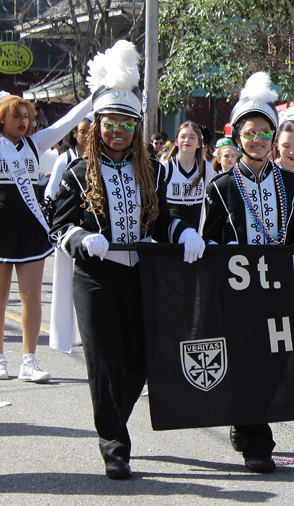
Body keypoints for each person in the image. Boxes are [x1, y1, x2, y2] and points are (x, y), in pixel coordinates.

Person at [49, 40, 205, 479]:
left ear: (137, 128)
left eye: (126, 124)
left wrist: (185, 232)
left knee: (140, 360)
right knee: (102, 361)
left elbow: (162, 221)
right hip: (95, 277)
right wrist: (83, 237)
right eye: (109, 123)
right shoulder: (77, 173)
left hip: (141, 276)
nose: (117, 130)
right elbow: (57, 227)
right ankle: (115, 445)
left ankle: (112, 419)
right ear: (97, 126)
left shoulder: (152, 171)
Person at [200, 72, 294, 473]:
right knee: (247, 360)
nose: (258, 140)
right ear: (237, 137)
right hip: (238, 292)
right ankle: (257, 441)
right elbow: (208, 239)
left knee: (275, 363)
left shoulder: (291, 182)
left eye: (266, 133)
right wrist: (217, 250)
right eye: (250, 133)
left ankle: (244, 421)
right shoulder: (220, 186)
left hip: (279, 290)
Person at [0, 88, 93, 383]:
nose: (23, 121)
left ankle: (29, 361)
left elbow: (65, 122)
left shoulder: (34, 143)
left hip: (30, 230)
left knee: (31, 297)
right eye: (16, 116)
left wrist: (94, 97)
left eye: (26, 116)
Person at [45, 116, 93, 354]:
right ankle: (67, 334)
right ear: (75, 134)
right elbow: (51, 193)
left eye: (89, 131)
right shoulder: (65, 159)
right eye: (82, 131)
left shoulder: (99, 161)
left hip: (92, 234)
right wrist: (55, 225)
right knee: (66, 282)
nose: (85, 135)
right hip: (69, 230)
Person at [161, 122, 216, 229]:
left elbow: (210, 204)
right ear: (176, 141)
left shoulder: (207, 168)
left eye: (192, 137)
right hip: (171, 231)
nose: (187, 140)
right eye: (183, 137)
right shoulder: (166, 167)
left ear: (199, 143)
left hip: (198, 230)